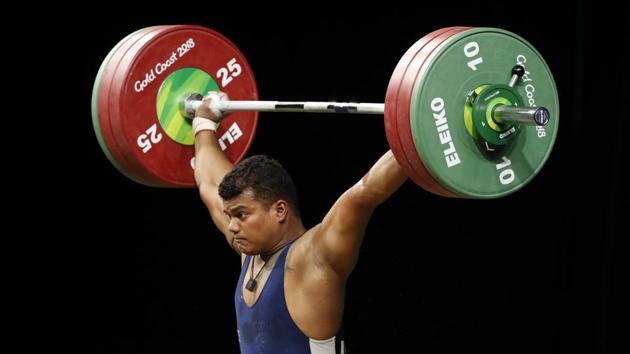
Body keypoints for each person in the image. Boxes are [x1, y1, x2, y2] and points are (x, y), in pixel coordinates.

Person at [192, 91, 408, 354]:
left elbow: (365, 192)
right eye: (230, 216)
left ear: (280, 210)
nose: (233, 226)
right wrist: (203, 123)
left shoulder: (314, 259)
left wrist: (419, 133)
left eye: (241, 215)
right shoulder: (248, 253)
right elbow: (209, 185)